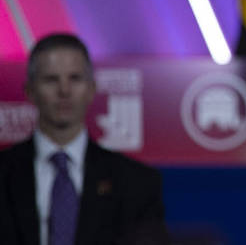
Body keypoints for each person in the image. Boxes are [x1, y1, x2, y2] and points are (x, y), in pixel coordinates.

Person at [0, 34, 167, 245]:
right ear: (30, 91)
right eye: (51, 79)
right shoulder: (4, 173)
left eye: (75, 78)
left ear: (91, 89)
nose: (64, 90)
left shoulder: (136, 183)